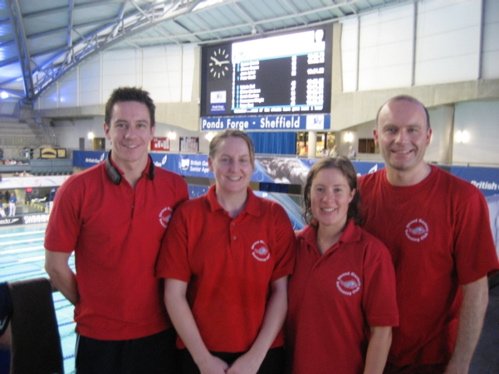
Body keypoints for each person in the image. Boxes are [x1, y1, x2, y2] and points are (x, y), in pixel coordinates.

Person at [44, 87, 188, 374]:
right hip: (99, 337)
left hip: (160, 332)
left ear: (152, 131)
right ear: (107, 129)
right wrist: (91, 304)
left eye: (139, 125)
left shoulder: (175, 188)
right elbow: (55, 265)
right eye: (121, 125)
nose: (130, 135)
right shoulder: (77, 190)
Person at [358, 95, 499, 374]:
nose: (401, 139)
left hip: (430, 360)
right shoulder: (357, 194)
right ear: (376, 136)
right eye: (391, 130)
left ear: (428, 136)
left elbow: (476, 290)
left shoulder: (462, 199)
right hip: (365, 353)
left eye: (413, 130)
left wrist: (460, 362)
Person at [156, 129, 295, 374]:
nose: (235, 168)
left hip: (263, 354)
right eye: (225, 159)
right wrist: (203, 360)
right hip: (198, 354)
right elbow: (174, 295)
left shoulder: (274, 217)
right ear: (210, 164)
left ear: (252, 165)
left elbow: (280, 293)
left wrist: (255, 358)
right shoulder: (187, 216)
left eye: (243, 160)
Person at [286, 157, 398, 374]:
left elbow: (382, 332)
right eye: (319, 189)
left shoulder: (372, 253)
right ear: (309, 194)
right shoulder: (293, 246)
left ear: (351, 195)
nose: (328, 199)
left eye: (338, 190)